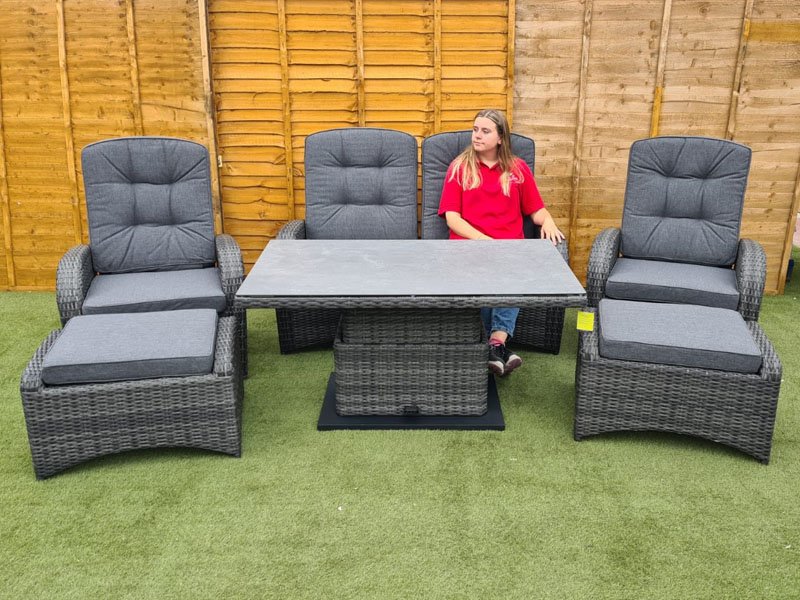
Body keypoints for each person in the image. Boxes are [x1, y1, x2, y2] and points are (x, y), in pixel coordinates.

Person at [438, 109, 565, 376]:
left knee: (511, 274)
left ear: (500, 138)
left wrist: (549, 220)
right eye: (475, 129)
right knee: (485, 276)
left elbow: (535, 210)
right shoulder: (459, 167)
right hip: (469, 246)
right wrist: (485, 241)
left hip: (510, 249)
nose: (477, 135)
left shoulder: (518, 169)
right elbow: (452, 218)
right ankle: (497, 346)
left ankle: (494, 346)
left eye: (485, 131)